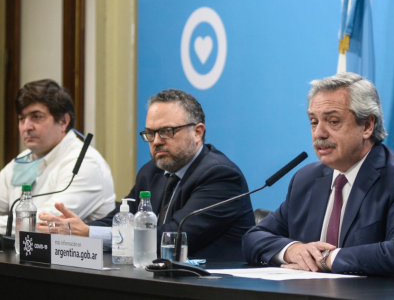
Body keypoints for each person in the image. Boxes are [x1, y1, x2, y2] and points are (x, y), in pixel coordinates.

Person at [242, 72, 394, 279]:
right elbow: (254, 238)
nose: (319, 133)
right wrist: (293, 250)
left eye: (333, 121)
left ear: (367, 126)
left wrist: (325, 258)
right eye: (314, 122)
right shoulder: (306, 179)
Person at [39, 89, 255, 261]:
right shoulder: (151, 171)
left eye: (167, 131)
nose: (157, 141)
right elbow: (117, 221)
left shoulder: (220, 176)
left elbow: (171, 238)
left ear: (197, 132)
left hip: (211, 288)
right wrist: (71, 229)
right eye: (150, 133)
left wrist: (88, 233)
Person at [0, 79, 115, 235]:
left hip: (76, 257)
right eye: (22, 119)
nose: (27, 127)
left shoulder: (86, 163)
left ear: (63, 121)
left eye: (37, 117)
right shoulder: (24, 158)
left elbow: (44, 223)